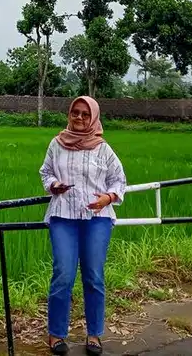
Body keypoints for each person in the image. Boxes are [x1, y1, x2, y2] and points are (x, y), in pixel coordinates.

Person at [39, 95, 127, 356]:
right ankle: (56, 334)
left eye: (85, 114)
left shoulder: (103, 149)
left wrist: (108, 198)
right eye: (75, 113)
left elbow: (119, 180)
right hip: (62, 216)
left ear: (94, 118)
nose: (78, 118)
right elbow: (46, 172)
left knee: (93, 276)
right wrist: (54, 185)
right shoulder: (57, 144)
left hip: (97, 218)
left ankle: (94, 334)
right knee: (63, 274)